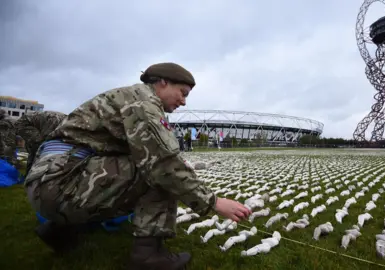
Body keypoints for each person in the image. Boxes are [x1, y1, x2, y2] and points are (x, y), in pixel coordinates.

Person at [24, 62, 252, 270]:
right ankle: (148, 256)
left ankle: (59, 230)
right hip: (60, 184)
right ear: (163, 82)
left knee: (149, 166)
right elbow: (164, 164)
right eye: (182, 93)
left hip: (53, 181)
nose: (184, 101)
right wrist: (214, 202)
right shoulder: (142, 104)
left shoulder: (131, 97)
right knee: (161, 174)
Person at [14, 110, 67, 175]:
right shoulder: (55, 122)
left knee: (39, 147)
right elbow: (46, 140)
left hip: (36, 124)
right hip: (23, 125)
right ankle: (30, 174)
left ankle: (33, 171)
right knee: (37, 147)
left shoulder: (67, 122)